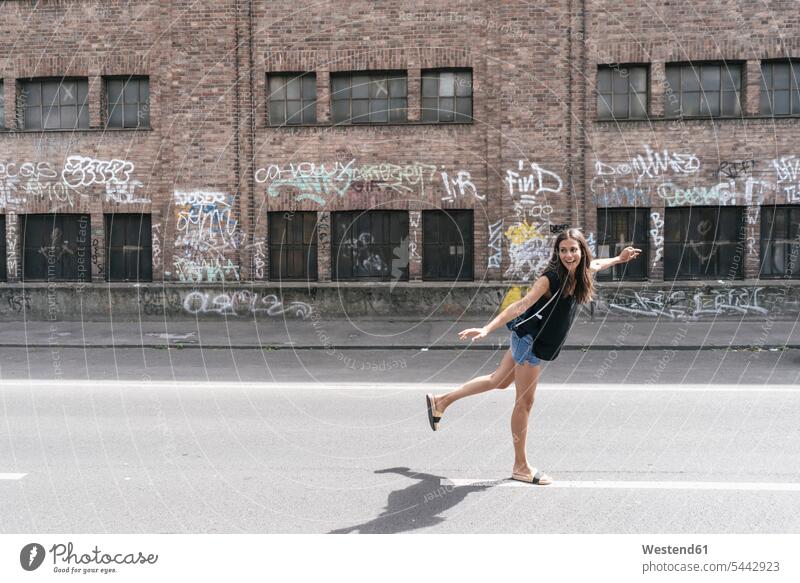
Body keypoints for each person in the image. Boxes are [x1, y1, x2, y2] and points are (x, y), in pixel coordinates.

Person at [425, 228, 641, 485]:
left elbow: (597, 263)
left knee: (498, 381)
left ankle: (441, 401)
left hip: (526, 336)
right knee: (524, 403)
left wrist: (619, 259)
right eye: (563, 250)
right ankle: (520, 466)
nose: (568, 255)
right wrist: (486, 328)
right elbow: (520, 305)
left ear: (582, 250)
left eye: (573, 249)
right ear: (557, 253)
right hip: (529, 342)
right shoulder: (550, 278)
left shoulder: (582, 272)